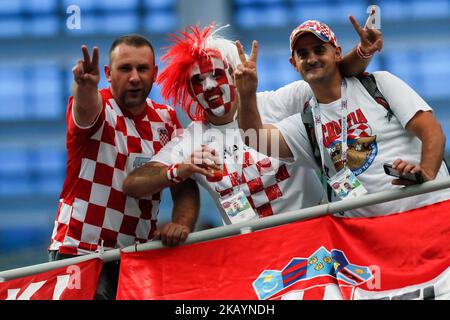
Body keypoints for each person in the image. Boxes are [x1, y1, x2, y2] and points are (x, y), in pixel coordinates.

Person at [122, 21, 380, 225]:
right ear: (189, 92)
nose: (209, 86)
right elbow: (133, 183)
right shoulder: (189, 140)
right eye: (198, 81)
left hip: (314, 237)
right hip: (254, 258)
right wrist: (180, 169)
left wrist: (362, 52)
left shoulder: (276, 103)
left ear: (235, 74)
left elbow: (330, 75)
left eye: (216, 75)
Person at [236, 18, 450, 217]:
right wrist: (246, 94)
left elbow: (432, 131)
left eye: (319, 50)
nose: (311, 59)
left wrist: (426, 174)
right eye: (302, 54)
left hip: (428, 210)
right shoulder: (308, 122)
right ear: (294, 63)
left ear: (337, 53)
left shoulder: (378, 85)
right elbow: (254, 138)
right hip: (375, 239)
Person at [48, 35, 200, 300]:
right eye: (124, 68)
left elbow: (184, 184)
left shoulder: (166, 119)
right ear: (107, 73)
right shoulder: (100, 107)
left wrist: (181, 223)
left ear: (154, 73)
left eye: (142, 69)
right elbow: (86, 107)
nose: (134, 77)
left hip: (136, 258)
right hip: (79, 252)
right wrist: (84, 87)